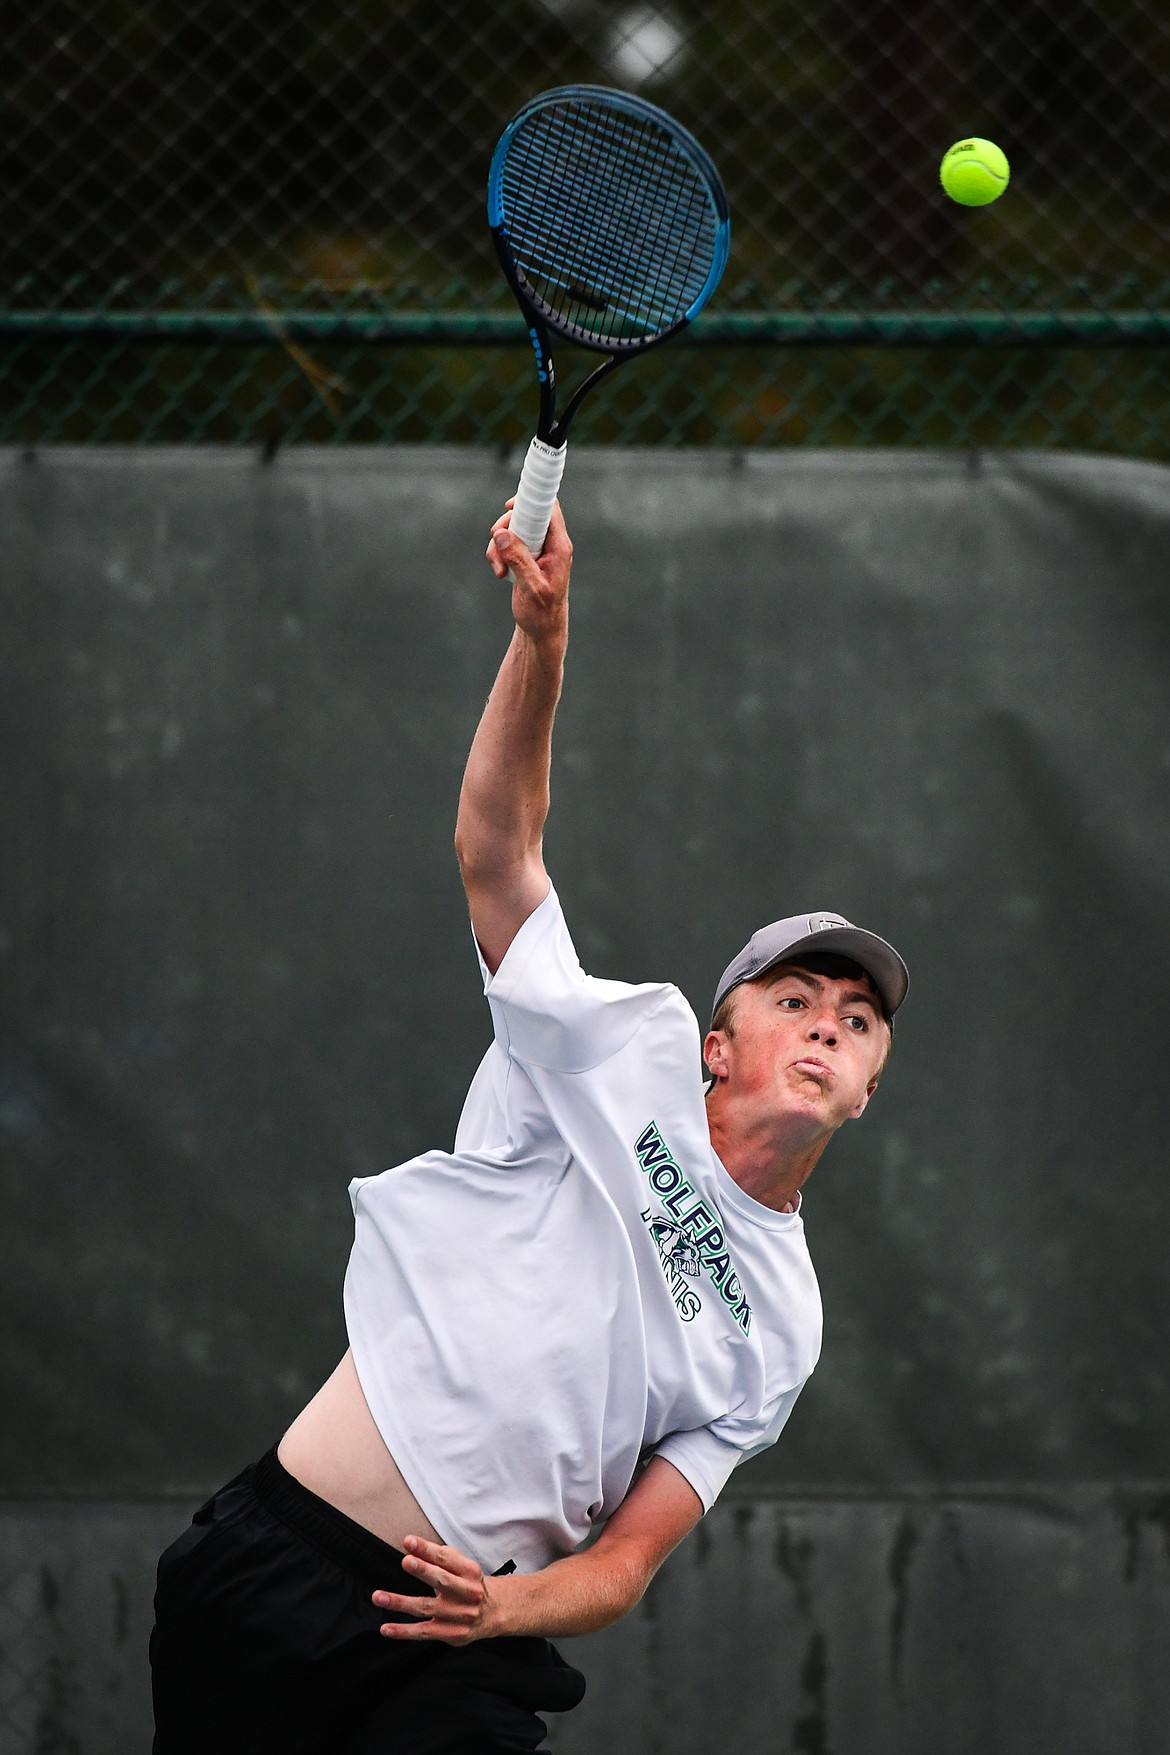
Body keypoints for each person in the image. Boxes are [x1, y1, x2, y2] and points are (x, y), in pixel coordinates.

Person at [149, 499, 908, 1754]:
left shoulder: (783, 1322)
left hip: (464, 1650)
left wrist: (503, 1608)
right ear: (719, 1046)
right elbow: (497, 855)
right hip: (271, 1571)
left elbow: (623, 1565)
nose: (829, 1025)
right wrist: (542, 640)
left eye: (859, 1021)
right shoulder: (613, 1053)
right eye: (795, 1000)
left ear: (869, 1086)